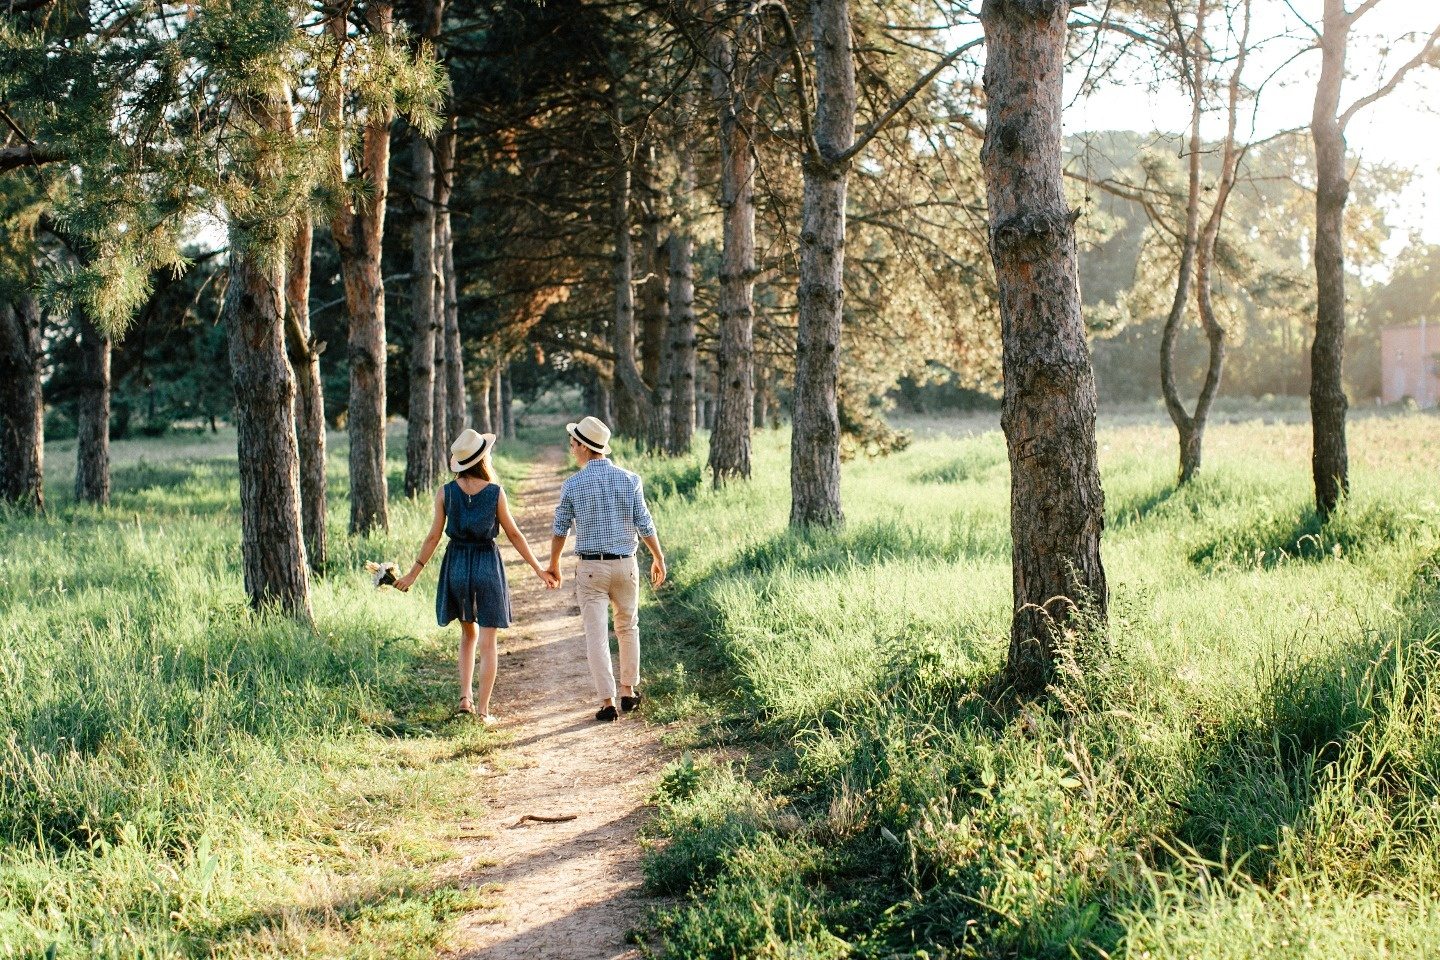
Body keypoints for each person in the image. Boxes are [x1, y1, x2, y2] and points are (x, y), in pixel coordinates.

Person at [396, 429, 557, 722]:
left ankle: (465, 700)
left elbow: (433, 537)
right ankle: (483, 711)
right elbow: (514, 534)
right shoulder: (495, 492)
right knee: (488, 641)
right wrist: (539, 569)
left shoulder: (446, 492)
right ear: (483, 458)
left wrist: (412, 574)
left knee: (467, 634)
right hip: (486, 563)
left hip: (457, 564)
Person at [547, 416, 667, 722]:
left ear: (585, 448)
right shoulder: (630, 479)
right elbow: (644, 522)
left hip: (591, 569)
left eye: (574, 443)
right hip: (626, 565)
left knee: (596, 635)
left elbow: (560, 528)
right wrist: (658, 556)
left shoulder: (573, 484)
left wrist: (554, 564)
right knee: (628, 627)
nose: (571, 448)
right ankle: (628, 691)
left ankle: (607, 701)